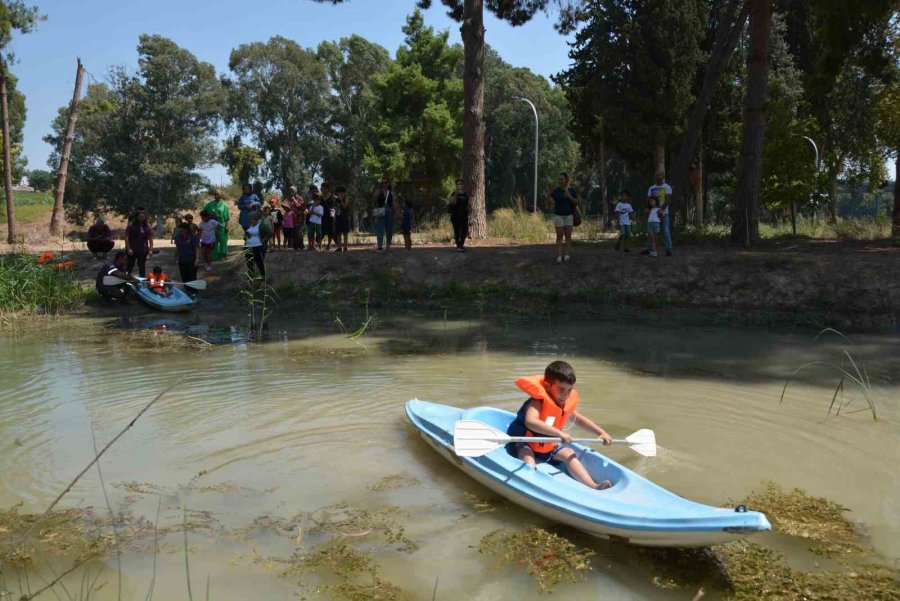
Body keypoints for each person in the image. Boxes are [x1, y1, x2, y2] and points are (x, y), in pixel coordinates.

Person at [507, 361, 614, 490]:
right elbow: (531, 421)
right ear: (547, 386)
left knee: (569, 453)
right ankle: (531, 483)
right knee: (527, 455)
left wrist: (600, 432)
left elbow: (578, 419)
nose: (566, 395)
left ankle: (594, 486)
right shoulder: (537, 402)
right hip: (526, 442)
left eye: (569, 390)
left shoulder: (563, 404)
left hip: (548, 446)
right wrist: (559, 433)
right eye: (561, 389)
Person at [546, 172, 578, 264]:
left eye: (561, 179)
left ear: (566, 180)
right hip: (558, 215)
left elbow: (576, 202)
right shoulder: (556, 191)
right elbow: (550, 203)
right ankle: (559, 256)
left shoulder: (571, 190)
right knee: (559, 235)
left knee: (568, 235)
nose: (559, 181)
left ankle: (567, 255)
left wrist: (569, 196)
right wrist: (548, 195)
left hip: (569, 215)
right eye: (558, 179)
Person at [646, 172, 673, 256]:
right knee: (651, 232)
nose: (658, 177)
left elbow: (668, 200)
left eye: (660, 175)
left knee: (665, 231)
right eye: (657, 175)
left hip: (664, 213)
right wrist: (648, 209)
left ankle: (669, 250)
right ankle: (650, 250)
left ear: (663, 176)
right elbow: (648, 200)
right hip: (653, 214)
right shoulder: (651, 188)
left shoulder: (667, 187)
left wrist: (661, 209)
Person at [202, 190, 231, 261]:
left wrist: (227, 226)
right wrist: (211, 216)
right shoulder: (210, 204)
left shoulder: (224, 205)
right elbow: (203, 213)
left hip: (221, 226)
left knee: (223, 241)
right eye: (215, 194)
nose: (216, 196)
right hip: (212, 226)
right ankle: (214, 257)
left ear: (221, 195)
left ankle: (222, 256)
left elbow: (227, 218)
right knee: (213, 242)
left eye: (217, 194)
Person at [125, 209, 154, 277]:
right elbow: (126, 237)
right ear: (137, 217)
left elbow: (150, 239)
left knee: (142, 266)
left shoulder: (147, 226)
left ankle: (142, 281)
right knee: (130, 265)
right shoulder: (131, 225)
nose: (142, 219)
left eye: (143, 217)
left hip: (143, 250)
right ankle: (125, 278)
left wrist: (150, 250)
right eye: (140, 217)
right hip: (132, 249)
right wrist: (129, 248)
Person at [371, 179, 395, 251]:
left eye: (385, 182)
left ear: (388, 184)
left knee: (389, 229)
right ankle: (380, 246)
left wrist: (396, 212)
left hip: (389, 210)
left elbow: (394, 202)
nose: (384, 184)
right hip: (380, 210)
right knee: (380, 228)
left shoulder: (391, 192)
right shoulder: (379, 191)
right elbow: (373, 200)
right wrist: (379, 192)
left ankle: (388, 245)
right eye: (382, 183)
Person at [448, 179, 469, 252]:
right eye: (458, 184)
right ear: (456, 186)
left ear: (463, 185)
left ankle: (461, 244)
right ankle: (458, 246)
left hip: (464, 216)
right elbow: (452, 203)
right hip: (455, 216)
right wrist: (456, 194)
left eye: (460, 184)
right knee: (457, 231)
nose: (459, 185)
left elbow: (467, 204)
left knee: (465, 230)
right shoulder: (454, 194)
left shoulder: (465, 194)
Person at [244, 212, 266, 278]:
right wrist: (245, 237)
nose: (250, 220)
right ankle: (251, 280)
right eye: (249, 219)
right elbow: (246, 236)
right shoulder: (249, 226)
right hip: (248, 248)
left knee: (260, 264)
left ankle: (263, 279)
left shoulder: (261, 225)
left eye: (251, 219)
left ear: (255, 219)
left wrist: (263, 240)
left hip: (257, 247)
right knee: (249, 265)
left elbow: (269, 233)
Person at [333, 186, 351, 252]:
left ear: (344, 193)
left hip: (345, 217)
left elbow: (345, 206)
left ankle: (345, 247)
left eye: (339, 193)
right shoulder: (336, 199)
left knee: (345, 232)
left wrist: (341, 200)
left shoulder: (346, 198)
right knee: (338, 233)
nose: (338, 195)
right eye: (337, 194)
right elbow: (335, 208)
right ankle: (339, 247)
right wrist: (334, 216)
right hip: (338, 217)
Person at [321, 183, 336, 251]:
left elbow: (333, 207)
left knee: (331, 230)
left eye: (323, 188)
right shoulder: (321, 197)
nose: (321, 190)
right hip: (322, 216)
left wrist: (332, 215)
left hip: (330, 216)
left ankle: (329, 245)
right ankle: (319, 245)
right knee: (321, 230)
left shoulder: (332, 197)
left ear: (326, 188)